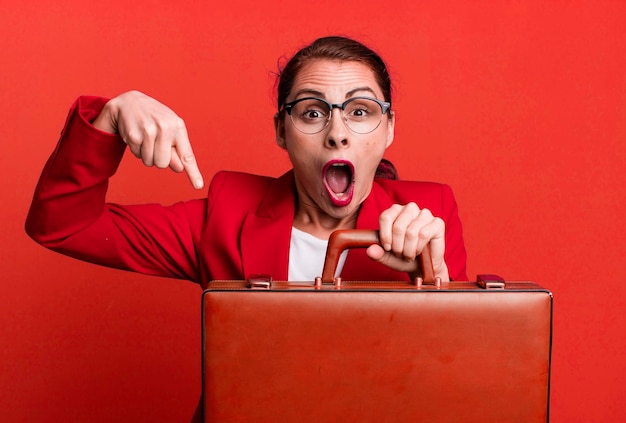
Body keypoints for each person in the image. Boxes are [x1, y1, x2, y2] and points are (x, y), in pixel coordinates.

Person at [26, 35, 467, 290]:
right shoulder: (226, 216)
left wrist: (435, 281)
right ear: (281, 131)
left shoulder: (432, 215)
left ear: (389, 129)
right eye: (313, 112)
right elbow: (62, 225)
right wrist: (110, 115)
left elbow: (459, 369)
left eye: (360, 111)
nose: (337, 132)